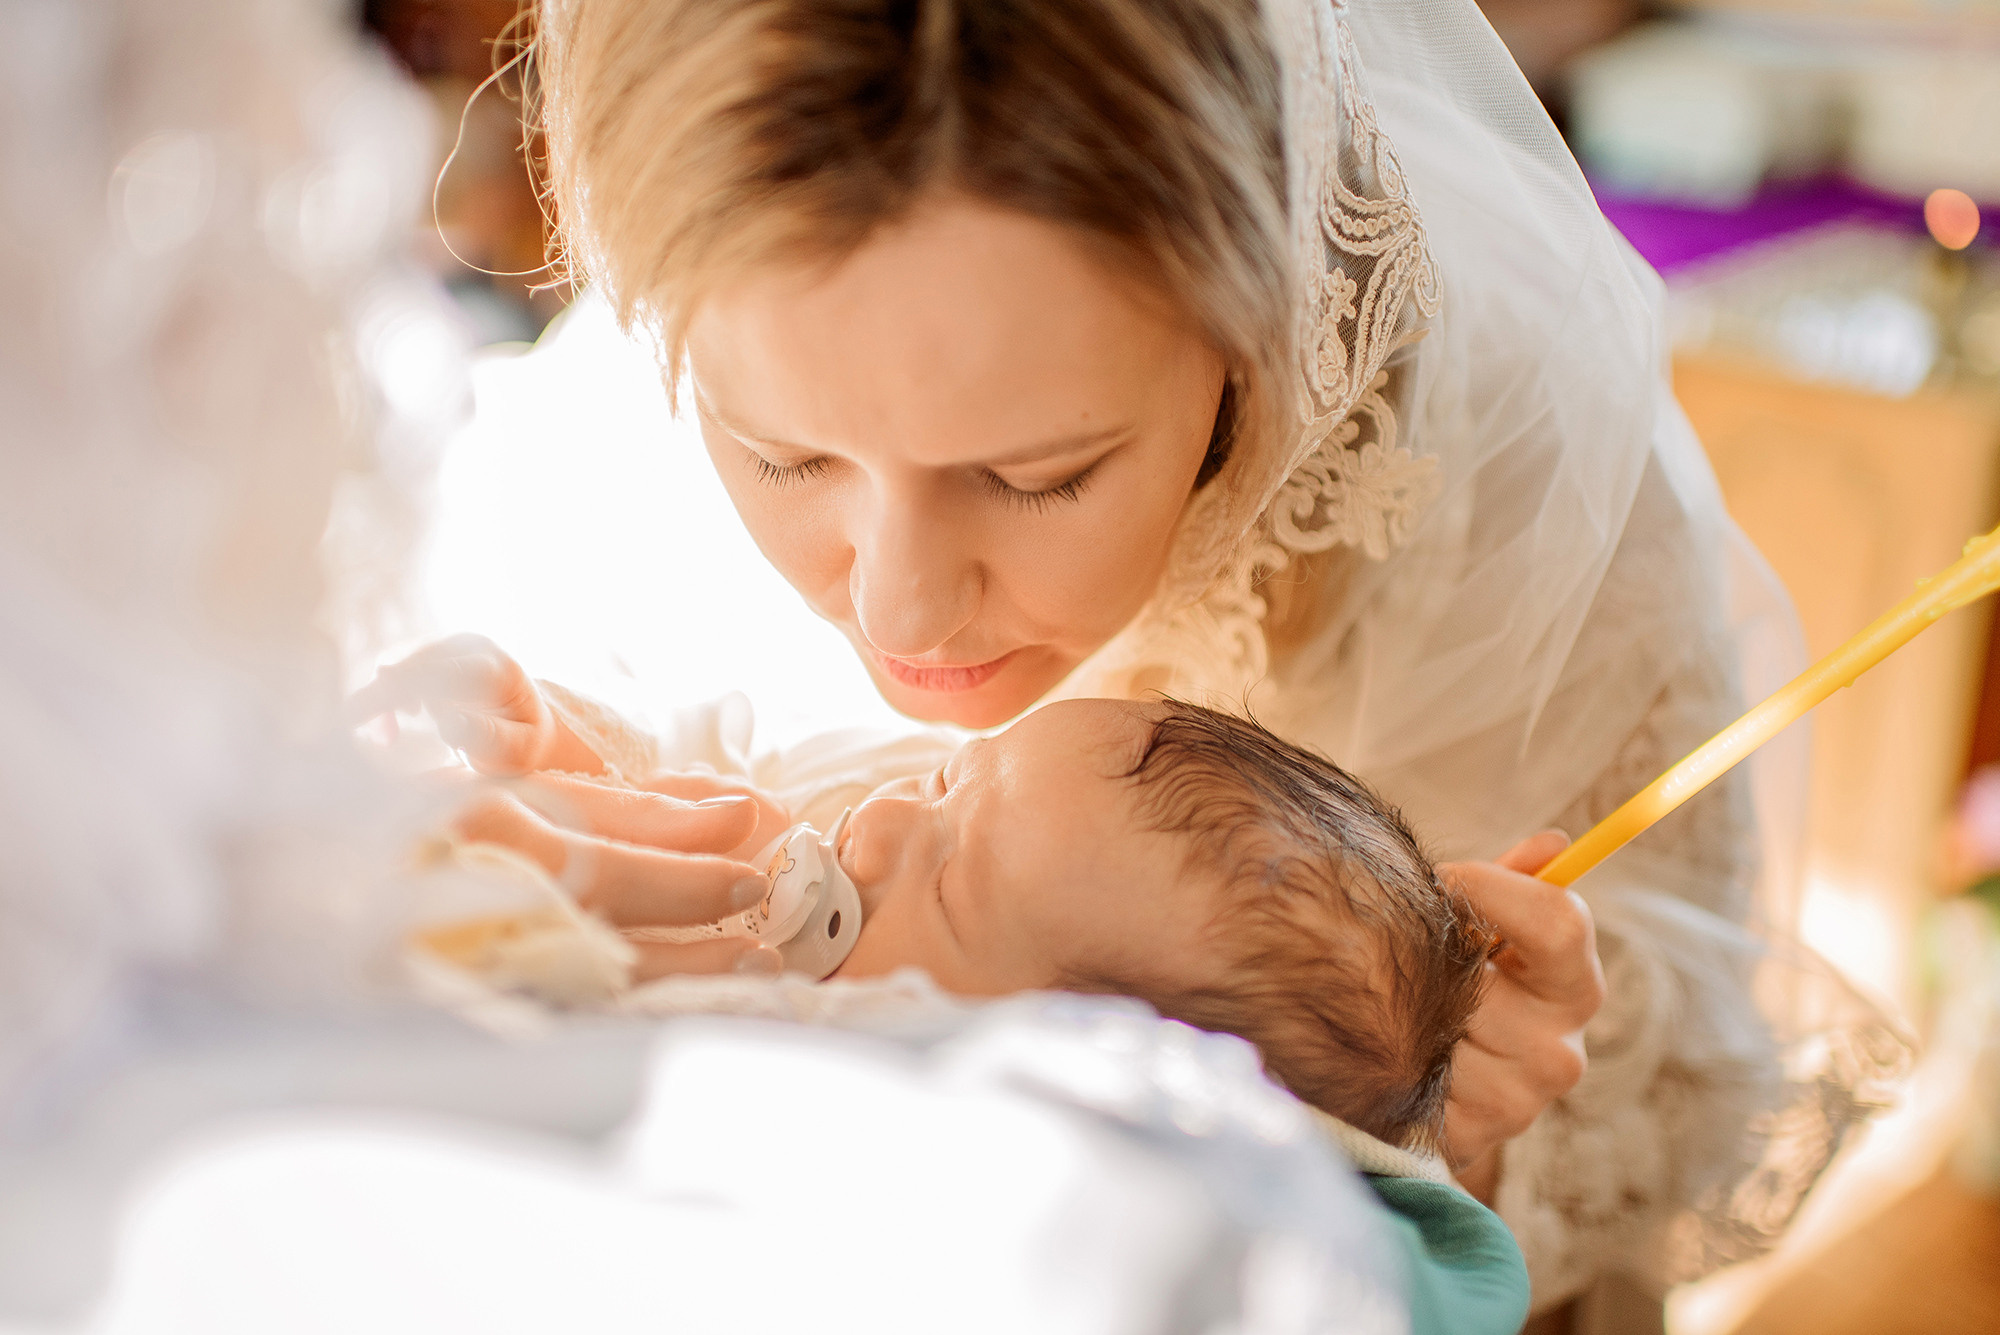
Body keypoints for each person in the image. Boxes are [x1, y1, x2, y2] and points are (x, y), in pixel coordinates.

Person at [393, 0, 1890, 1322]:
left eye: (1041, 476)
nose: (904, 616)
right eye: (781, 453)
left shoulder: (1520, 519)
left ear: (1261, 331)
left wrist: (1444, 1141)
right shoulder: (690, 341)